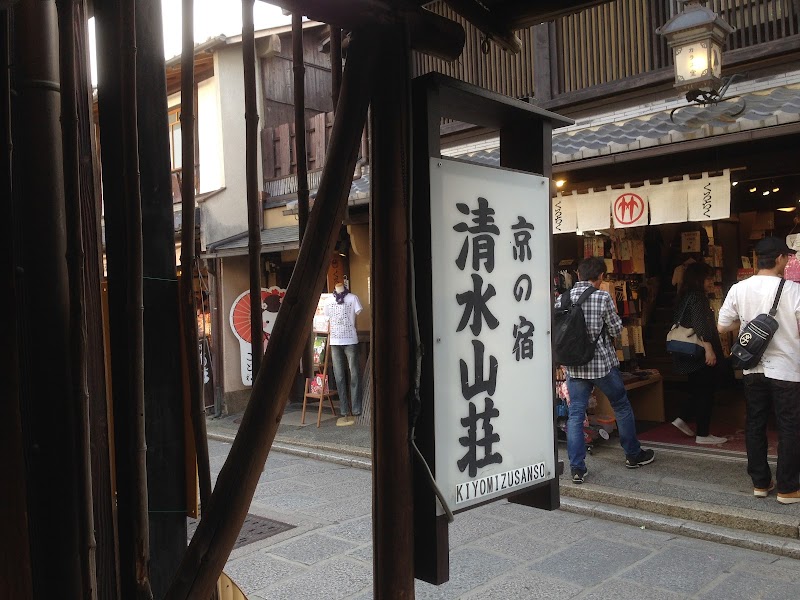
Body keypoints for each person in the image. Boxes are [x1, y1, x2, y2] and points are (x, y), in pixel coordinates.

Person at [557, 256, 655, 484]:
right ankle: (633, 455)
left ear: (578, 275)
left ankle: (577, 469)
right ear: (600, 276)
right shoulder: (602, 297)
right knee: (621, 405)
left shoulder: (562, 298)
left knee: (575, 415)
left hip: (575, 366)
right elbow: (615, 328)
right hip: (601, 364)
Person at [718, 237, 800, 504]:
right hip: (787, 369)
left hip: (753, 368)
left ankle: (761, 483)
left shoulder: (739, 289)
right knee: (789, 427)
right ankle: (788, 488)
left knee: (755, 423)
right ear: (779, 258)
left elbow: (722, 326)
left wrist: (748, 327)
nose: (787, 261)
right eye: (786, 257)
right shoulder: (793, 290)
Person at [670, 262, 728, 444]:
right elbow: (700, 324)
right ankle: (703, 434)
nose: (712, 281)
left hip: (690, 353)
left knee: (698, 389)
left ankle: (682, 418)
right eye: (708, 278)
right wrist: (709, 350)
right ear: (698, 279)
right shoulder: (697, 298)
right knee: (705, 392)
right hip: (700, 352)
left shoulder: (685, 297)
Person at [324, 282, 363, 426]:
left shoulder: (353, 298)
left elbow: (358, 312)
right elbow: (327, 317)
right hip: (335, 341)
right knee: (339, 376)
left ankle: (357, 408)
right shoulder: (328, 301)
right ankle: (345, 410)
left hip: (350, 340)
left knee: (354, 375)